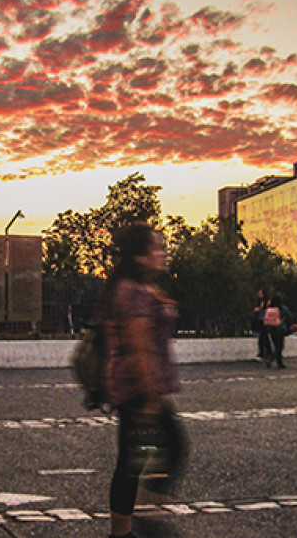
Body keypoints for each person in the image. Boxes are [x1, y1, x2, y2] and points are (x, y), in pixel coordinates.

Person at [100, 223, 186, 538]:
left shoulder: (136, 288)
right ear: (139, 256)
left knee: (137, 459)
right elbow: (139, 348)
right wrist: (150, 396)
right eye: (157, 248)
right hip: (138, 392)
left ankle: (129, 528)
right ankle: (144, 521)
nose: (163, 253)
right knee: (165, 449)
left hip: (138, 390)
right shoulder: (132, 292)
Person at [262, 294, 292, 369]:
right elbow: (290, 316)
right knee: (280, 346)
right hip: (280, 328)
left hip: (271, 328)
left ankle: (276, 360)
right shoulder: (283, 308)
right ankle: (275, 359)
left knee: (275, 345)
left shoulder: (269, 309)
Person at [253, 289, 270, 363]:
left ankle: (265, 353)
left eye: (260, 293)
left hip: (265, 320)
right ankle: (264, 353)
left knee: (264, 337)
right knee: (262, 337)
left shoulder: (267, 302)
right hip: (260, 320)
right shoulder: (259, 303)